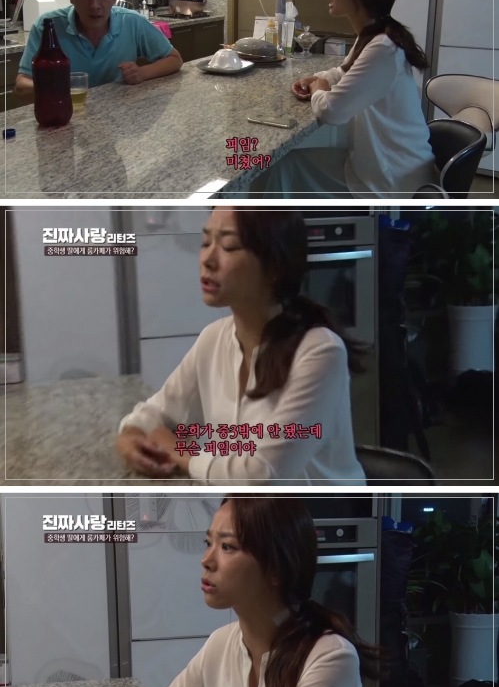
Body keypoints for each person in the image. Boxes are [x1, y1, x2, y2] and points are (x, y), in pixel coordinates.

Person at [117, 497, 373, 687]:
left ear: (276, 567)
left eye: (227, 547)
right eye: (208, 543)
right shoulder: (221, 644)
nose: (206, 560)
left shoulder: (332, 658)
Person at [115, 204, 365, 485]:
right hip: (245, 509)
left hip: (317, 509)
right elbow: (157, 413)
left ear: (274, 266)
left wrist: (179, 451)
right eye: (205, 242)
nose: (208, 259)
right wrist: (131, 436)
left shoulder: (321, 352)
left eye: (229, 246)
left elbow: (262, 474)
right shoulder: (213, 339)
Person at [246, 0, 434, 198]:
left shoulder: (383, 48)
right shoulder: (374, 35)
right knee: (286, 168)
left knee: (284, 170)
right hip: (386, 167)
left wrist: (319, 89)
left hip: (392, 182)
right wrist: (316, 79)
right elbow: (344, 71)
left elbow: (331, 111)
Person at [15, 0, 183, 96]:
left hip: (119, 112)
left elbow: (175, 59)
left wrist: (142, 73)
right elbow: (22, 85)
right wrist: (61, 89)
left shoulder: (131, 22)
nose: (94, 5)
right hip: (66, 113)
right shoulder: (47, 26)